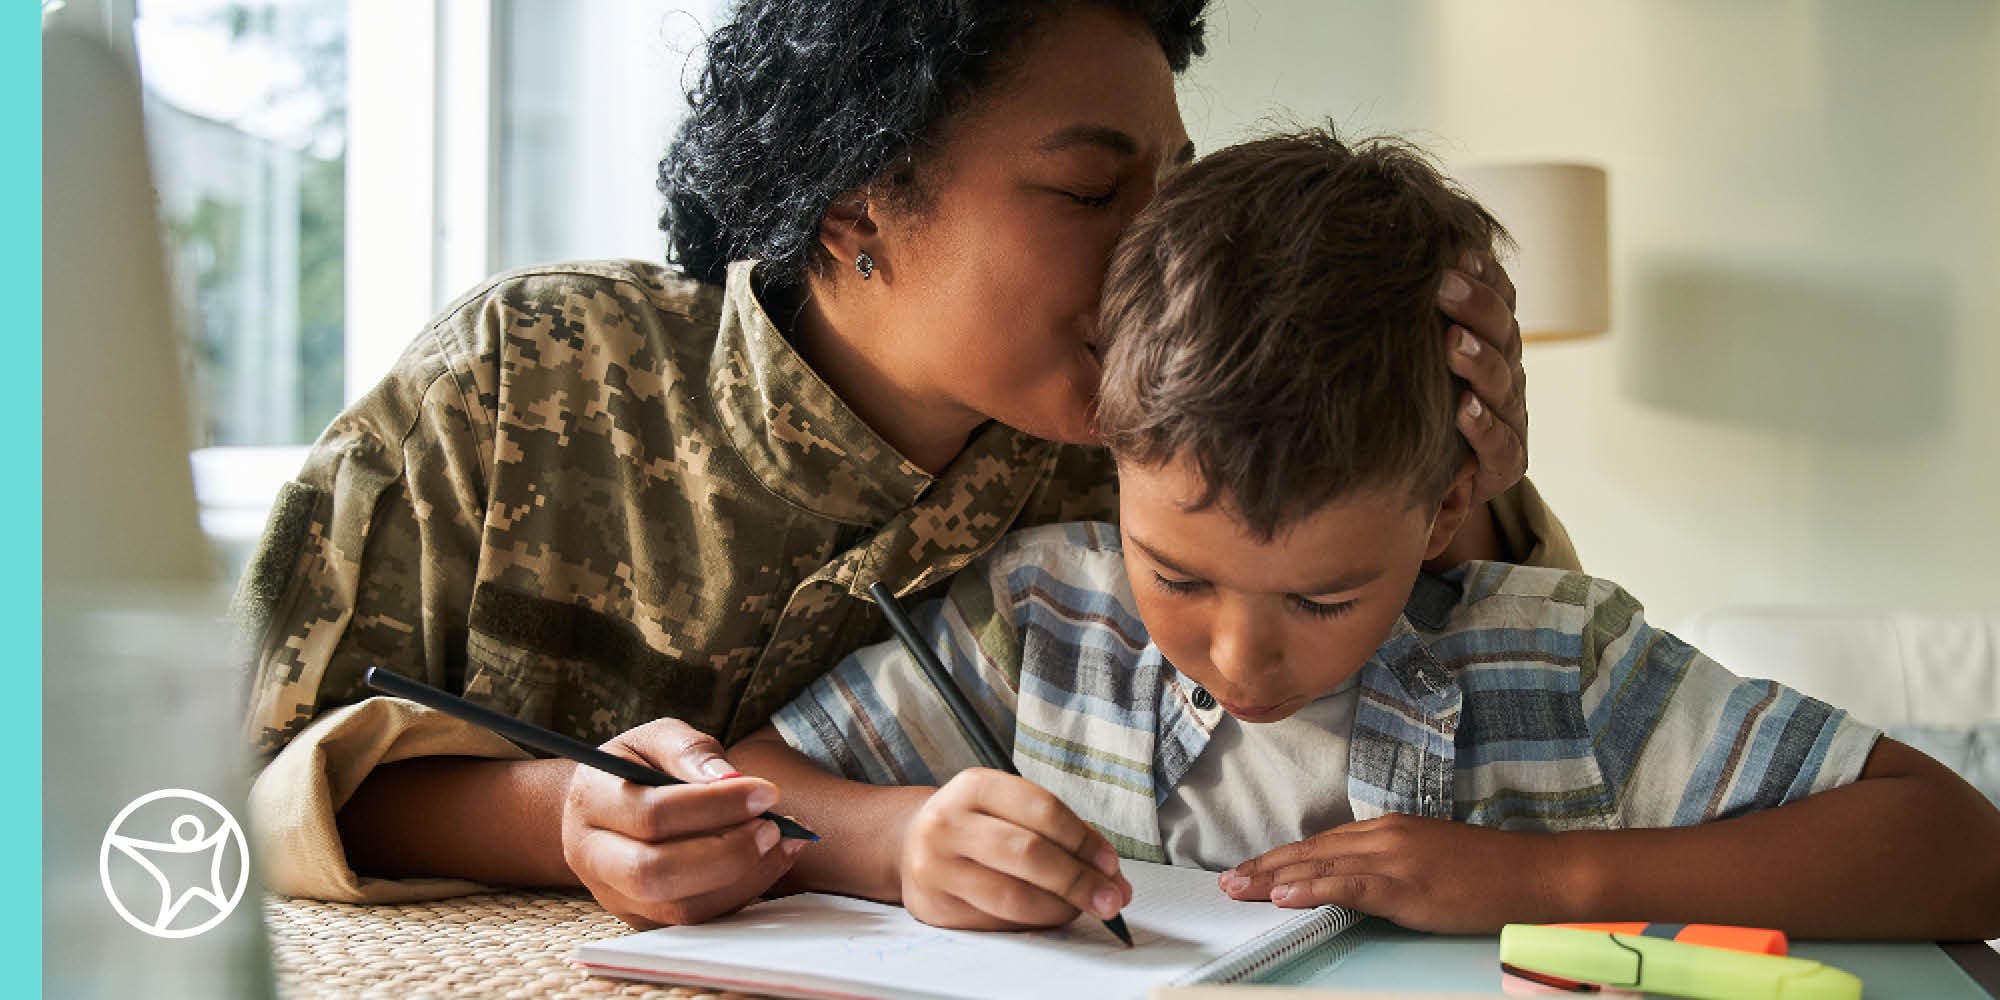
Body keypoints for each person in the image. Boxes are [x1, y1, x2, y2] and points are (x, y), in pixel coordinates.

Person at [238, 0, 1574, 928]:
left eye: (1181, 183)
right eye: (1092, 192)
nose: (1165, 248)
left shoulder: (1153, 460)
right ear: (854, 203)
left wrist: (1459, 486)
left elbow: (1508, 725)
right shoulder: (524, 375)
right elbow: (219, 792)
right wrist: (563, 819)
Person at [730, 129, 2000, 940]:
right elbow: (750, 789)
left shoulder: (1551, 659)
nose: (1239, 653)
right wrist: (904, 847)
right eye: (1175, 571)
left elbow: (1959, 849)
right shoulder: (1043, 620)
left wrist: (1542, 883)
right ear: (1107, 448)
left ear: (1447, 503)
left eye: (1323, 598)